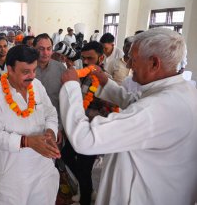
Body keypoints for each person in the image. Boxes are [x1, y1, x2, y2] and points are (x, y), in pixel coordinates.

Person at [60, 28, 197, 205]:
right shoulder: (181, 91)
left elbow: (85, 139)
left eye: (133, 59)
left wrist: (70, 88)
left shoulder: (160, 107)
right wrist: (105, 83)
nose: (129, 65)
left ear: (154, 63)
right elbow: (136, 104)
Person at [0, 45, 60, 204]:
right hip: (12, 175)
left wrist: (51, 132)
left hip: (42, 169)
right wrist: (27, 142)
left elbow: (50, 113)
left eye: (34, 70)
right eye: (26, 72)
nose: (32, 76)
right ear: (10, 69)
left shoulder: (37, 86)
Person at [61, 41, 117, 205]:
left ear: (100, 58)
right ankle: (88, 189)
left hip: (93, 132)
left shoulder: (106, 80)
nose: (85, 62)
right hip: (79, 127)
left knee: (85, 168)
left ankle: (85, 198)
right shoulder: (82, 74)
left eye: (90, 58)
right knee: (66, 155)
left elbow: (110, 110)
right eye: (83, 58)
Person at [33, 34, 67, 147]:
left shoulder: (60, 69)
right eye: (41, 49)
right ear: (34, 49)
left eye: (49, 49)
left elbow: (63, 101)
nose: (46, 53)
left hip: (53, 125)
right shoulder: (26, 68)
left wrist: (59, 127)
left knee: (51, 158)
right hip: (30, 124)